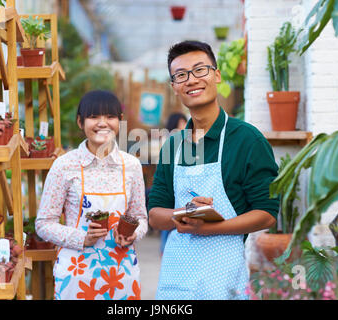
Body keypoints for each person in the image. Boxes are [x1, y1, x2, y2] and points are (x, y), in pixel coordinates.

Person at [148, 40, 279, 300]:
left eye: (200, 70)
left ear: (216, 75)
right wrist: (184, 213)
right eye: (181, 75)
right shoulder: (173, 144)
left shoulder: (246, 139)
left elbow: (266, 214)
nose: (191, 80)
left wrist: (206, 227)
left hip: (224, 280)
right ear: (174, 86)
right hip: (177, 280)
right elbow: (154, 215)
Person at [36, 90, 148, 300]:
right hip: (77, 276)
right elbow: (43, 223)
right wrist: (82, 238)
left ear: (120, 121)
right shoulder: (64, 165)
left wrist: (134, 234)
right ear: (80, 122)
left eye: (110, 117)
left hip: (121, 273)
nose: (102, 123)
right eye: (94, 116)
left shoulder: (131, 166)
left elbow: (140, 217)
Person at [159, 112, 187, 255]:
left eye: (184, 125)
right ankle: (164, 248)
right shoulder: (169, 142)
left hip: (182, 186)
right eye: (179, 126)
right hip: (170, 186)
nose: (182, 129)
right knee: (168, 218)